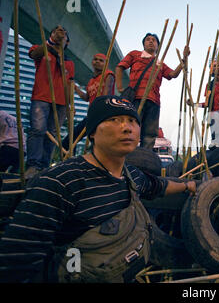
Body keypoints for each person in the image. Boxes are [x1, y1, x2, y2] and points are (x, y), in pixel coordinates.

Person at [0, 95, 196, 283]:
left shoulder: (131, 175)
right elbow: (17, 261)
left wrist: (187, 185)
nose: (126, 128)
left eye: (131, 120)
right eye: (114, 119)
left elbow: (158, 186)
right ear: (92, 131)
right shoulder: (61, 181)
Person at [115, 32, 190, 150]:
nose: (151, 41)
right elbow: (120, 67)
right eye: (148, 39)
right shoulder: (135, 55)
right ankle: (128, 157)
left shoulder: (160, 63)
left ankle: (145, 159)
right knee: (131, 129)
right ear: (143, 44)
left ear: (157, 46)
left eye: (154, 40)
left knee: (149, 135)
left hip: (154, 102)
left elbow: (173, 74)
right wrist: (120, 88)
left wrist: (184, 58)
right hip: (136, 99)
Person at [25, 25, 75, 179]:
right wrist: (51, 42)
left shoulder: (69, 63)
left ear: (67, 42)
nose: (61, 33)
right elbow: (34, 54)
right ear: (51, 34)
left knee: (53, 135)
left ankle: (44, 168)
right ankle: (33, 165)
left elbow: (69, 85)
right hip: (42, 97)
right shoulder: (43, 50)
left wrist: (70, 106)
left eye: (64, 33)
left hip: (61, 103)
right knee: (38, 130)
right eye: (56, 31)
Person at [62, 53, 115, 151]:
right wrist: (75, 87)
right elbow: (86, 97)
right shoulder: (91, 81)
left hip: (102, 115)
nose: (97, 62)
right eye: (95, 59)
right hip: (91, 115)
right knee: (69, 141)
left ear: (105, 64)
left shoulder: (108, 74)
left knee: (97, 144)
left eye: (101, 60)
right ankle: (72, 162)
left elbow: (107, 94)